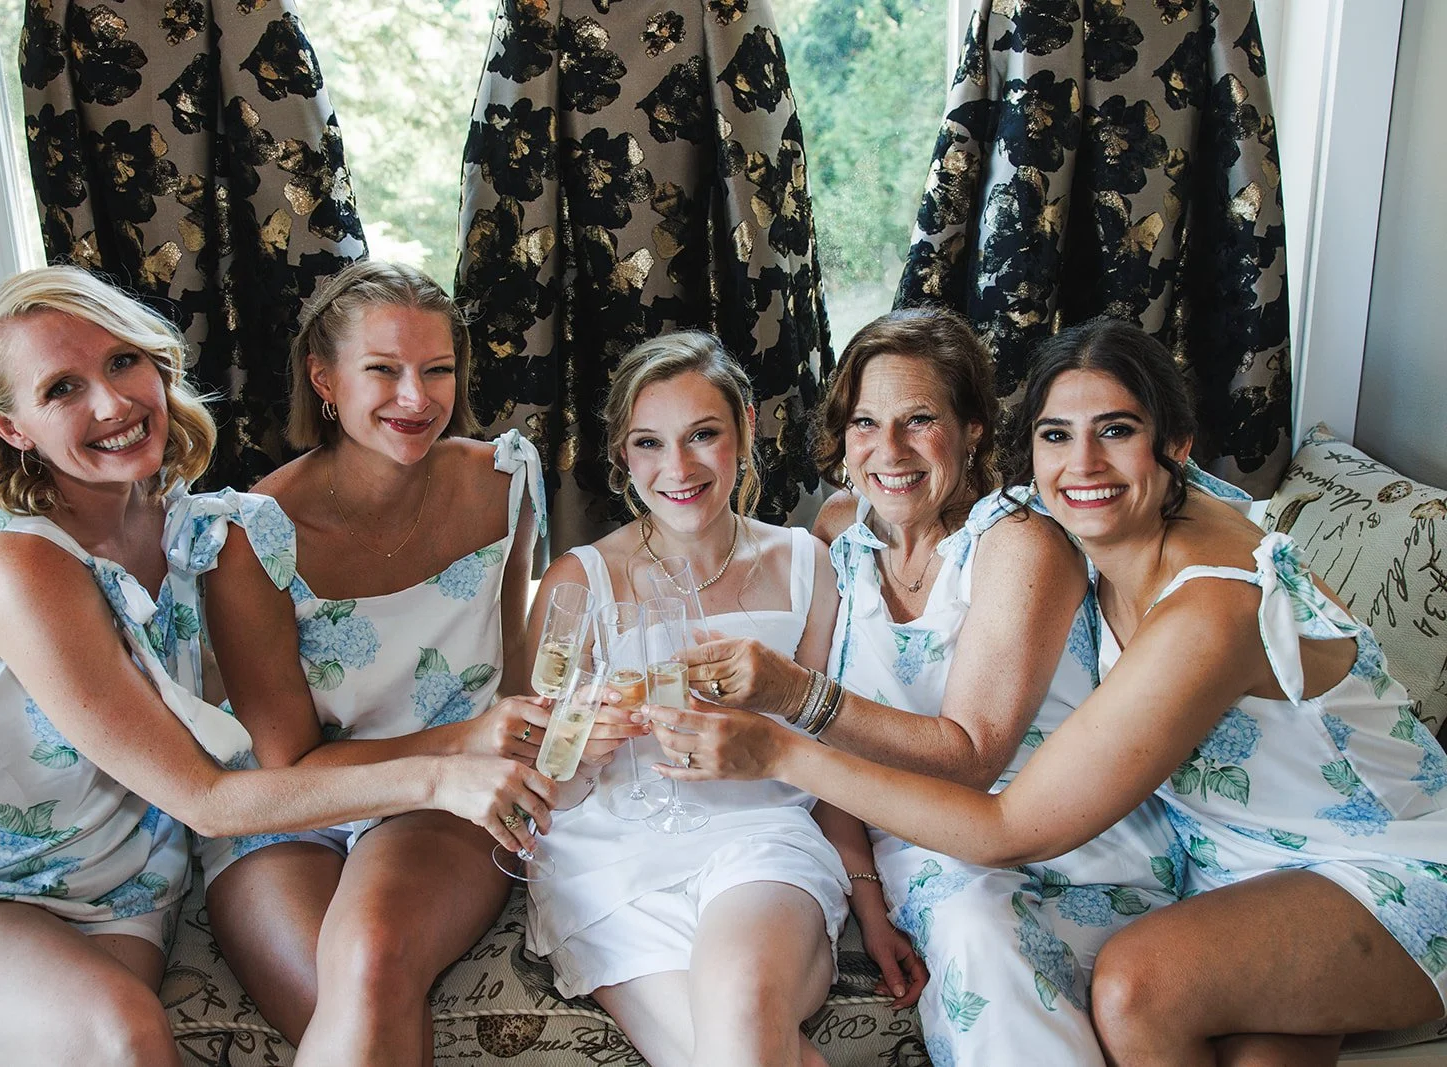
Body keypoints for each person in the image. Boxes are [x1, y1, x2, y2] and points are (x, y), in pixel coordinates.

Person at [651, 318, 1447, 1065]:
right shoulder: (873, 531)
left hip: (1364, 857)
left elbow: (1002, 815)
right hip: (1223, 859)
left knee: (1137, 990)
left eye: (1118, 431)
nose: (1083, 466)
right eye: (1057, 435)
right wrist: (862, 884)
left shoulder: (1194, 599)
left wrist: (786, 735)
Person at [0, 266, 556, 1067]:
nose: (112, 405)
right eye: (61, 389)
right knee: (124, 1038)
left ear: (160, 366)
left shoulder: (199, 530)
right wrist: (441, 770)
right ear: (8, 426)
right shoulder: (20, 570)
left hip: (120, 891)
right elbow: (208, 800)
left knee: (363, 1021)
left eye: (123, 363)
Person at [677, 308, 1182, 1065]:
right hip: (922, 850)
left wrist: (793, 693)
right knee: (971, 921)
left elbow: (972, 753)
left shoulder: (1019, 538)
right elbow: (833, 758)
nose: (890, 451)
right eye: (866, 423)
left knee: (981, 936)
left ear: (974, 427)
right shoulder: (840, 533)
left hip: (1063, 839)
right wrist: (868, 900)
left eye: (920, 420)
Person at [198, 260, 619, 1065]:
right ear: (323, 379)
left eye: (437, 370)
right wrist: (465, 744)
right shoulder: (251, 534)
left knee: (372, 961)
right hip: (295, 802)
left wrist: (543, 738)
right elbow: (289, 759)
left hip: (447, 801)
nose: (416, 399)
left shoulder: (502, 483)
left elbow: (517, 672)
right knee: (345, 1012)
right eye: (383, 370)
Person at [522, 331, 853, 1067]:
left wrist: (864, 880)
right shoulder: (579, 583)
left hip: (758, 839)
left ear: (745, 428)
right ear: (622, 457)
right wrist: (586, 749)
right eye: (649, 443)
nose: (678, 468)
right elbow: (547, 780)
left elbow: (833, 753)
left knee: (740, 1011)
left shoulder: (808, 568)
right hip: (610, 862)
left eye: (703, 434)